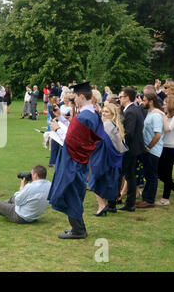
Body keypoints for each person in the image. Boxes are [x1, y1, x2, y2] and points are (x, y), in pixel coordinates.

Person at [48, 81, 104, 239]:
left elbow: (72, 141)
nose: (73, 101)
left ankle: (78, 230)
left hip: (72, 160)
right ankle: (78, 228)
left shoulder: (84, 117)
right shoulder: (91, 114)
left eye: (74, 98)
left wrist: (57, 129)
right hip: (79, 160)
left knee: (71, 192)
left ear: (81, 96)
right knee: (74, 192)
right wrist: (61, 119)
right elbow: (77, 134)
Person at [89, 103, 128, 216]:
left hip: (103, 159)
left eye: (107, 112)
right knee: (103, 182)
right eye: (103, 111)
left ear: (112, 114)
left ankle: (102, 205)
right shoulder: (116, 125)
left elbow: (97, 141)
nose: (104, 114)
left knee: (94, 182)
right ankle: (104, 205)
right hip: (111, 160)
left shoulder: (106, 125)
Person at [114, 87, 146, 212]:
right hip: (134, 148)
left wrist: (119, 145)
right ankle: (130, 203)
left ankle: (126, 202)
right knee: (130, 176)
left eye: (120, 97)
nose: (119, 99)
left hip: (130, 149)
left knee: (127, 176)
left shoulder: (131, 111)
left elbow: (129, 133)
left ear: (127, 97)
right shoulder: (134, 109)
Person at [136, 92, 164, 208]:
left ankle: (149, 200)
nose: (142, 102)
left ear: (151, 101)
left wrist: (148, 147)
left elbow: (158, 135)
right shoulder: (150, 113)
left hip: (152, 151)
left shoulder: (156, 115)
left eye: (144, 100)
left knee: (151, 176)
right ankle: (146, 198)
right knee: (148, 175)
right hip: (148, 150)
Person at [156, 96, 174, 205]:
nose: (163, 105)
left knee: (166, 173)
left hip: (172, 148)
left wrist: (163, 116)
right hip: (165, 147)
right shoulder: (168, 116)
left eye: (165, 103)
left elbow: (168, 129)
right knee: (161, 172)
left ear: (171, 105)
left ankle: (165, 199)